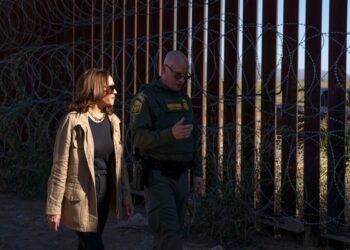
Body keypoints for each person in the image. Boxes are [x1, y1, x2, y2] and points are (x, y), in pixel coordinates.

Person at [46, 68, 134, 250]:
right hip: (81, 194)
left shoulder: (113, 121)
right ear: (97, 89)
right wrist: (54, 207)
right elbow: (60, 166)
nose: (115, 92)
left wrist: (126, 196)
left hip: (104, 191)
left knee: (86, 244)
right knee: (94, 245)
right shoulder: (73, 122)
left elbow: (120, 163)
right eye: (111, 88)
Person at [129, 50, 204, 250]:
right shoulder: (145, 99)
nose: (181, 80)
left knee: (172, 234)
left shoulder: (183, 100)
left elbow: (193, 139)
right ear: (163, 69)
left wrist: (197, 173)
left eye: (185, 76)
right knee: (169, 233)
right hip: (158, 176)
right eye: (177, 75)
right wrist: (170, 134)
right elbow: (137, 138)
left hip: (181, 177)